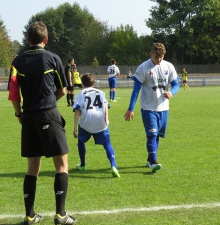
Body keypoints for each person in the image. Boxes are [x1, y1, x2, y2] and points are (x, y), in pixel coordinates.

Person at [8, 21, 77, 225]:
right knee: (62, 164)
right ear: (45, 40)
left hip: (28, 117)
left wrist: (20, 115)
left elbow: (13, 94)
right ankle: (61, 215)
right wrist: (47, 105)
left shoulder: (17, 61)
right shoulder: (53, 58)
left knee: (32, 168)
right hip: (48, 114)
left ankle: (30, 216)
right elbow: (63, 89)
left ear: (27, 39)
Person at [124, 43, 179, 173]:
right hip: (148, 108)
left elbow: (176, 85)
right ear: (150, 54)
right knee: (152, 135)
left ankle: (149, 159)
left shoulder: (168, 66)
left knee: (157, 136)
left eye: (161, 57)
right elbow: (136, 90)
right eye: (156, 57)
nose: (158, 60)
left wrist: (171, 92)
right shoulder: (143, 67)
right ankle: (154, 162)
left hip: (164, 108)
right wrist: (131, 108)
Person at [73, 73, 120, 177]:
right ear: (93, 83)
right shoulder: (101, 92)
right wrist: (106, 118)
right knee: (107, 144)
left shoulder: (81, 94)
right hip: (100, 121)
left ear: (82, 83)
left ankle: (83, 165)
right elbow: (105, 105)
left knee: (81, 141)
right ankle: (114, 166)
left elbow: (77, 110)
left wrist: (75, 127)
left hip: (87, 121)